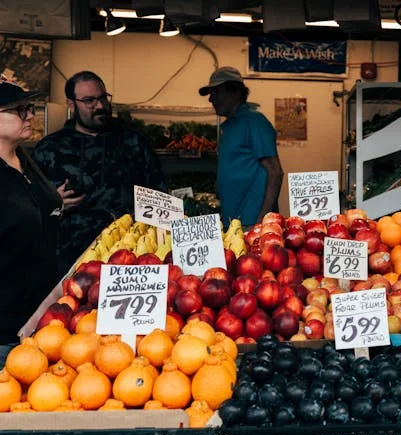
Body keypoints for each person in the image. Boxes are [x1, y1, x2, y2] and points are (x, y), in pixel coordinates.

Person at [34, 71, 166, 276]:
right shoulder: (49, 149)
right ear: (71, 104)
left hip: (129, 258)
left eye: (103, 97)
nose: (100, 105)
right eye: (89, 100)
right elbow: (28, 205)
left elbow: (159, 195)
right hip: (68, 258)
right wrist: (52, 203)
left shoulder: (134, 143)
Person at [0, 81, 63, 365]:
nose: (30, 116)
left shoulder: (25, 159)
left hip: (40, 317)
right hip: (5, 325)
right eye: (18, 110)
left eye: (30, 108)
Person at [198, 66, 283, 228]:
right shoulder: (230, 126)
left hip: (250, 222)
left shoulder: (254, 122)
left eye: (216, 92)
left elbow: (275, 172)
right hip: (233, 219)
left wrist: (262, 221)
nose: (211, 99)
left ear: (235, 92)